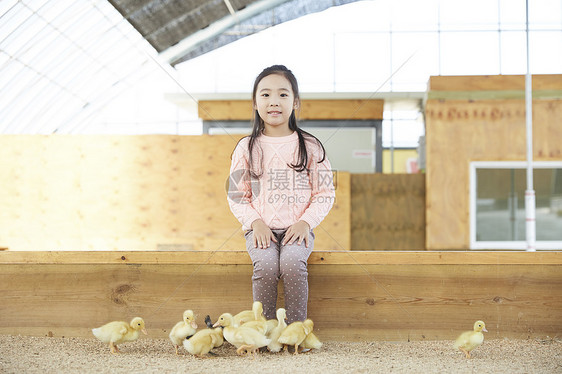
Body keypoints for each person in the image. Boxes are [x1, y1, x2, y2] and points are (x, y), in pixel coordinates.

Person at [227, 65, 335, 323]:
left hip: (297, 230)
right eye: (265, 95)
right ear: (255, 102)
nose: (274, 101)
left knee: (292, 265)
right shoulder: (246, 147)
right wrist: (255, 223)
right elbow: (236, 193)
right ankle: (263, 331)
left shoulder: (310, 145)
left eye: (283, 95)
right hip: (259, 230)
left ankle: (295, 331)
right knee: (265, 267)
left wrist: (305, 223)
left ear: (295, 102)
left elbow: (325, 192)